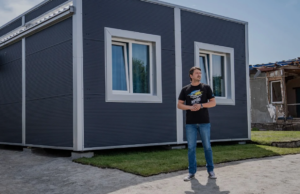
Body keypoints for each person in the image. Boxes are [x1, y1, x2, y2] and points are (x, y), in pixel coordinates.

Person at [177, 66, 217, 181]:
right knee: (191, 148)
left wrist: (202, 105)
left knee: (207, 147)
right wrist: (190, 107)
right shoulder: (185, 89)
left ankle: (210, 170)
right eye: (197, 73)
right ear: (191, 75)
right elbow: (179, 105)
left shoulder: (206, 88)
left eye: (200, 73)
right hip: (191, 123)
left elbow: (213, 103)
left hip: (204, 122)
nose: (199, 75)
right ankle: (191, 172)